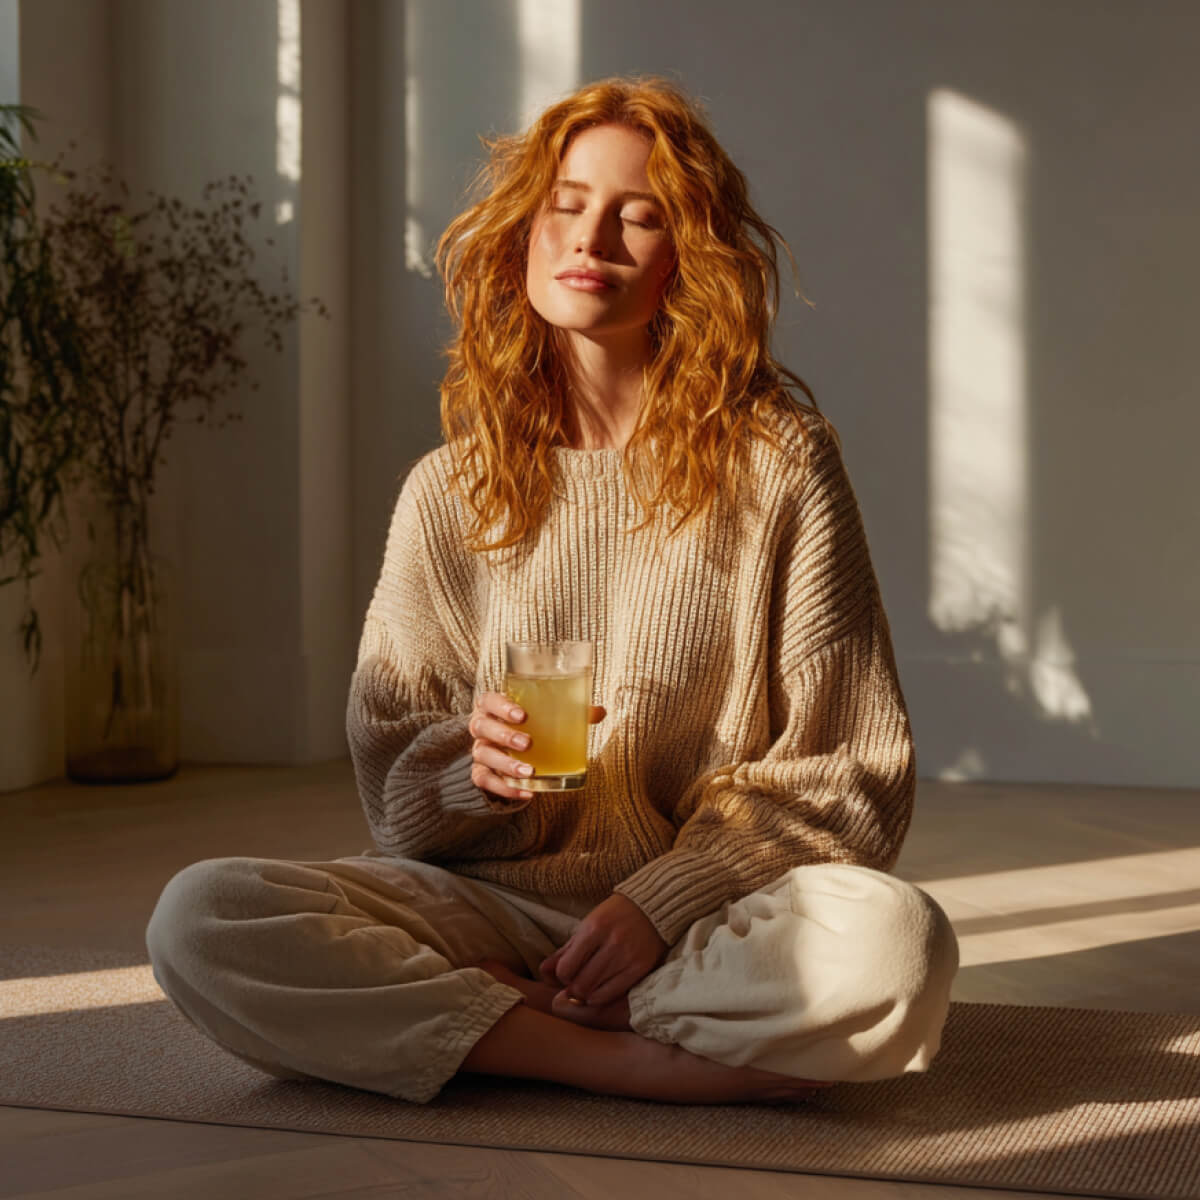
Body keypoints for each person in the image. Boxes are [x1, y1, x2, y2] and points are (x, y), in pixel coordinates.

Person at [146, 75, 958, 1108]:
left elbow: (848, 772)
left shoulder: (781, 468)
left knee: (899, 944)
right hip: (485, 905)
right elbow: (396, 788)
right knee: (201, 917)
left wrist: (658, 905)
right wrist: (467, 778)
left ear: (687, 256)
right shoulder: (448, 491)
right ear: (523, 235)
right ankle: (621, 1054)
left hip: (702, 917)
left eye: (640, 214)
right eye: (567, 205)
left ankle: (509, 1022)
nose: (593, 238)